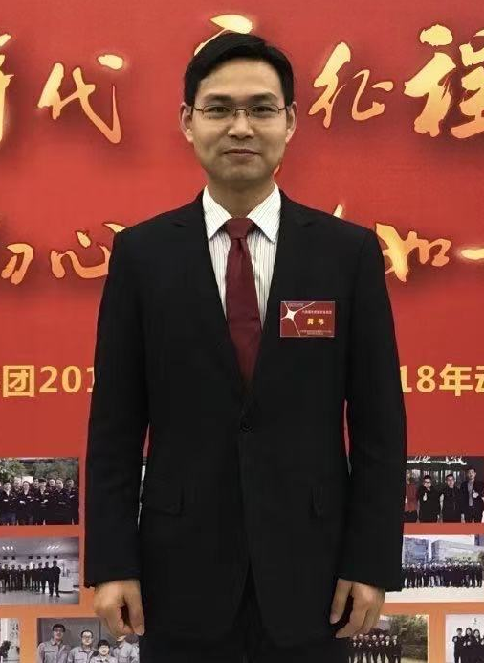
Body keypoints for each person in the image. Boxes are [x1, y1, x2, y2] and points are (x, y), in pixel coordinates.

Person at [84, 32, 407, 662]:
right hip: (177, 573)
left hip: (316, 576)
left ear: (290, 122)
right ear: (188, 121)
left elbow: (379, 424)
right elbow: (115, 424)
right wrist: (113, 564)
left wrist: (370, 562)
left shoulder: (346, 254)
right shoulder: (142, 256)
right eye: (219, 109)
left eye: (261, 108)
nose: (240, 127)